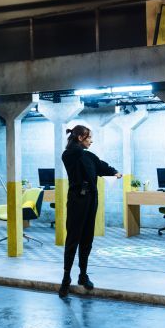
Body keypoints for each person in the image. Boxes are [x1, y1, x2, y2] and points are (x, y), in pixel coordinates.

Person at [58, 125, 122, 298]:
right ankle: (66, 278)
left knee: (87, 239)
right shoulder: (70, 154)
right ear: (80, 138)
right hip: (77, 201)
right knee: (73, 239)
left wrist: (114, 171)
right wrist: (75, 139)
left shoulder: (88, 155)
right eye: (89, 137)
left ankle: (83, 275)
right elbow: (76, 153)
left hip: (91, 200)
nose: (92, 141)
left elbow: (100, 165)